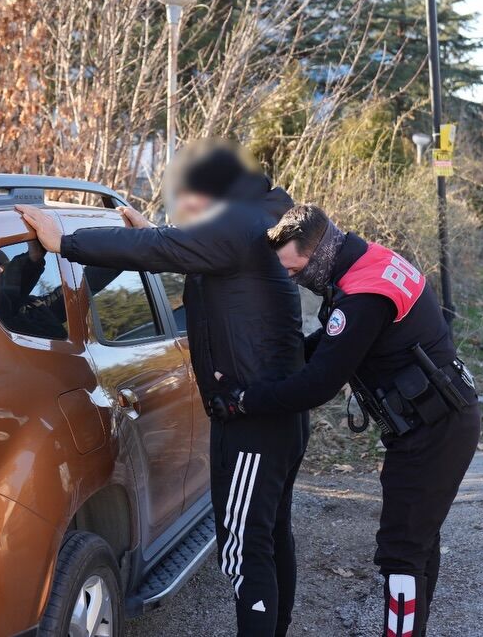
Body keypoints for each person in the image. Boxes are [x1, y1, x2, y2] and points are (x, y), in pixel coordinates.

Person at [16, 140, 308, 637]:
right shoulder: (259, 221)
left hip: (252, 420)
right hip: (278, 413)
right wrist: (155, 235)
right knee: (269, 535)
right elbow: (182, 251)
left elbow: (164, 250)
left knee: (244, 548)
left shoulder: (238, 225)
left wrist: (63, 243)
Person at [210, 204, 480, 637]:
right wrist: (276, 358)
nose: (295, 281)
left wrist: (245, 399)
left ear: (316, 254)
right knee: (418, 541)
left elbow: (319, 384)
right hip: (439, 422)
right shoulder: (366, 260)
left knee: (401, 553)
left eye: (296, 271)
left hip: (432, 432)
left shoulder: (364, 296)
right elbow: (329, 344)